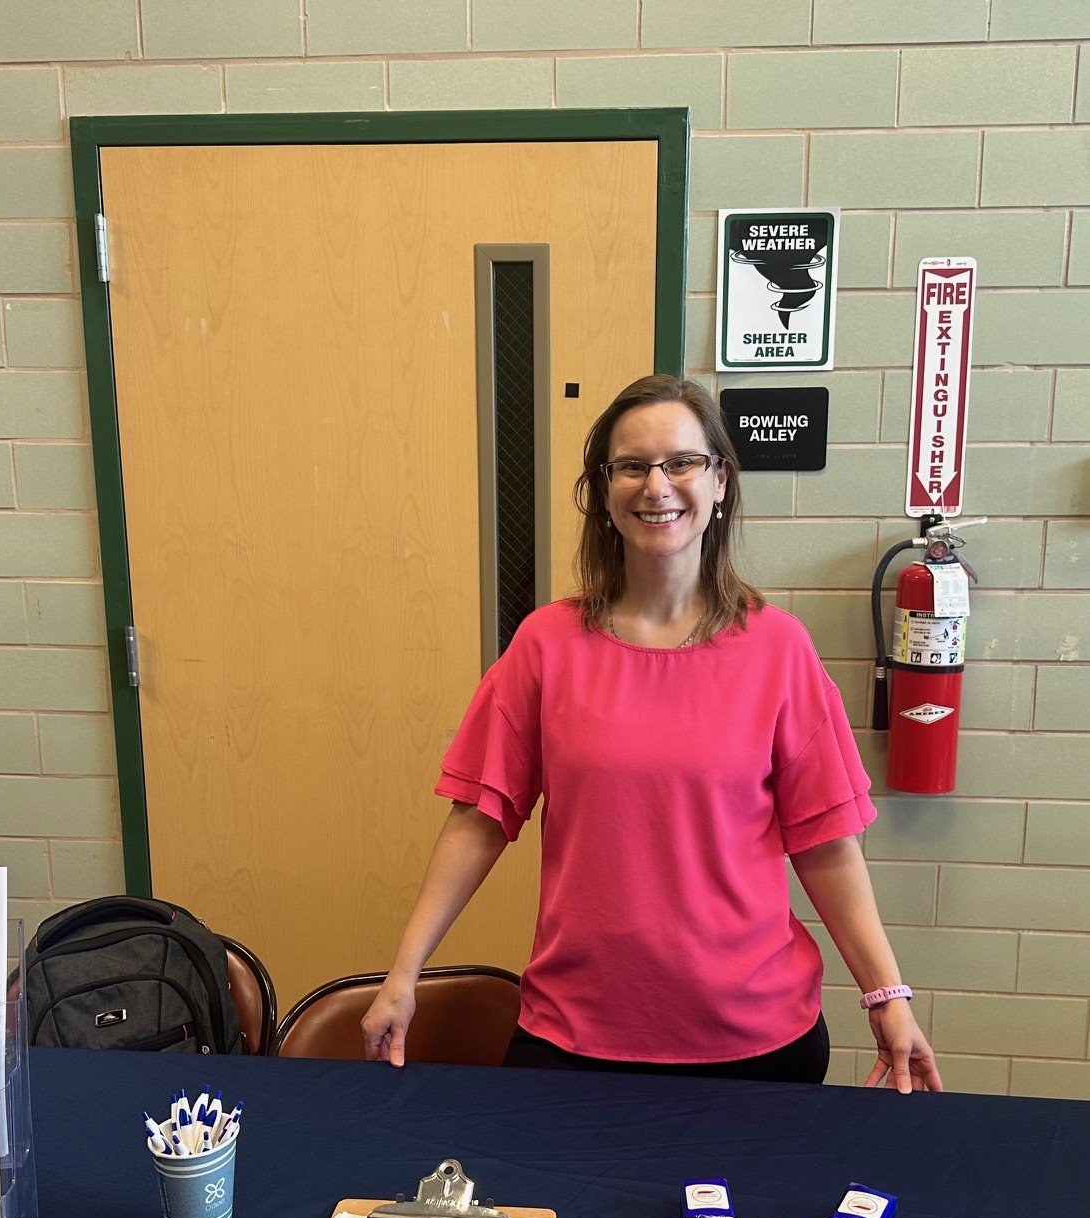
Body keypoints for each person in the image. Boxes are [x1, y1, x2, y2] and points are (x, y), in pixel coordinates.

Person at [361, 374, 943, 1093]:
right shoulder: (546, 645)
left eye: (680, 463)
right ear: (603, 491)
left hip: (757, 1044)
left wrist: (885, 995)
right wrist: (403, 973)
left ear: (720, 481)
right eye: (631, 466)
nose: (655, 486)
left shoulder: (777, 649)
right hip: (575, 1038)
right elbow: (477, 818)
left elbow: (825, 843)